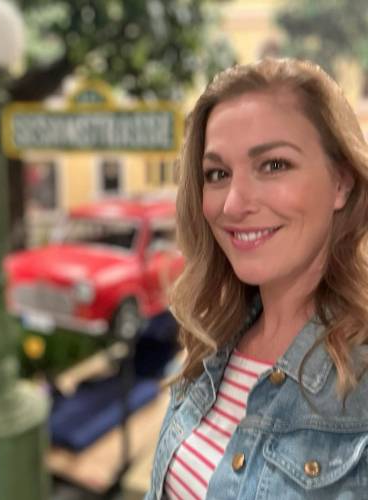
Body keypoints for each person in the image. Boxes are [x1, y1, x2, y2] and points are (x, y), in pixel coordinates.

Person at [144, 58, 368, 500]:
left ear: (341, 182)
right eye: (218, 174)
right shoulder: (212, 340)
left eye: (274, 165)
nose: (233, 204)